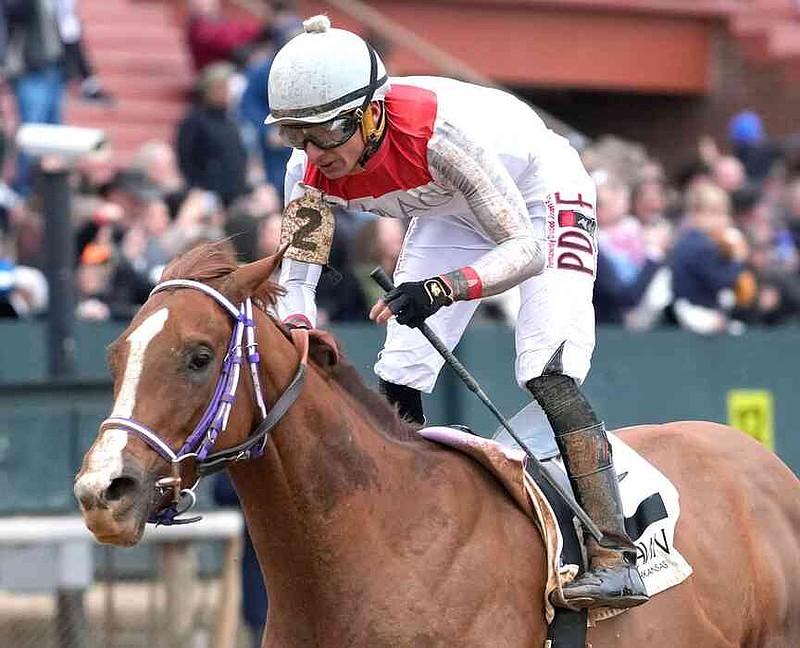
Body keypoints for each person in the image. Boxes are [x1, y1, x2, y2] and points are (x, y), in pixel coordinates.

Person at [266, 16, 647, 610]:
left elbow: (524, 249)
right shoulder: (307, 169)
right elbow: (298, 273)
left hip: (539, 198)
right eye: (295, 136)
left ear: (371, 113)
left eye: (326, 132)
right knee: (401, 370)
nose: (313, 152)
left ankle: (615, 554)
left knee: (545, 367)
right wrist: (296, 326)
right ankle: (406, 533)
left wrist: (444, 289)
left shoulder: (440, 138)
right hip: (452, 207)